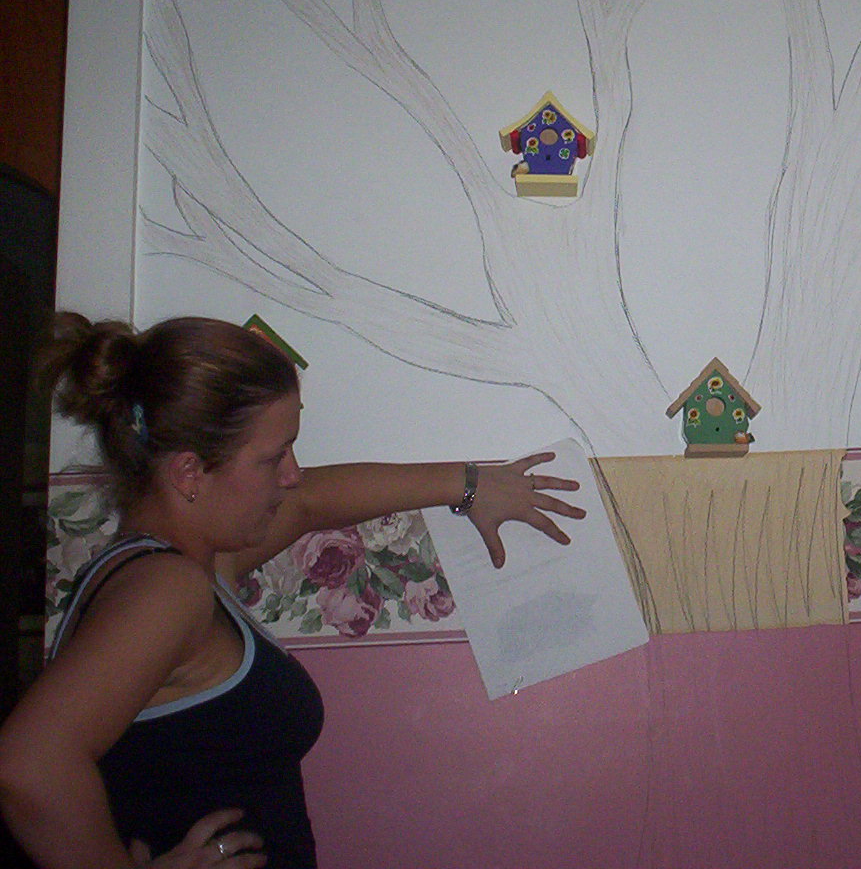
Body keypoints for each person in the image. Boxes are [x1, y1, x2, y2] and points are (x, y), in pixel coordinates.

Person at [0, 313, 586, 868]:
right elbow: (27, 765)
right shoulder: (166, 590)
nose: (292, 472)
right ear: (189, 473)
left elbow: (308, 503)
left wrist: (470, 484)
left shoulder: (193, 565)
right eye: (273, 456)